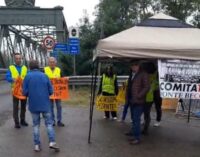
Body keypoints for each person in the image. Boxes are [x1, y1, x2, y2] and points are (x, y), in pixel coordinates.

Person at [23, 60, 59, 152]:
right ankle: (52, 142)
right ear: (38, 66)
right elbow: (51, 91)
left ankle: (37, 145)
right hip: (45, 105)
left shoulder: (27, 77)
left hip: (33, 105)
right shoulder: (45, 76)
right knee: (49, 124)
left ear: (29, 67)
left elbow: (25, 93)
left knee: (36, 125)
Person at [129, 61, 150, 145]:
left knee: (136, 119)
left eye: (133, 66)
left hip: (139, 101)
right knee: (134, 119)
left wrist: (139, 95)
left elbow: (147, 86)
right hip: (132, 100)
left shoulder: (143, 74)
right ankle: (134, 136)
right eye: (131, 66)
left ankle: (137, 138)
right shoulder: (134, 73)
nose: (132, 68)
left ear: (137, 66)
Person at [6, 53, 28, 128]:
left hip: (23, 90)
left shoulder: (25, 68)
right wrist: (12, 79)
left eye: (19, 58)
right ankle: (16, 122)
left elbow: (28, 77)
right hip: (15, 91)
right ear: (14, 59)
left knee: (23, 106)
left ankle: (22, 120)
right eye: (17, 58)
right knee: (15, 107)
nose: (18, 60)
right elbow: (7, 77)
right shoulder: (11, 67)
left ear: (21, 59)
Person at [44, 57, 65, 127]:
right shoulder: (45, 70)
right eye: (50, 62)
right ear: (48, 63)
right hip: (48, 92)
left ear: (55, 62)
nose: (52, 63)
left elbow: (63, 79)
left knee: (59, 106)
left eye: (53, 62)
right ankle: (52, 121)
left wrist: (65, 79)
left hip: (58, 92)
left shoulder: (59, 70)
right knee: (50, 107)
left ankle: (59, 121)